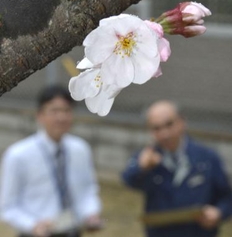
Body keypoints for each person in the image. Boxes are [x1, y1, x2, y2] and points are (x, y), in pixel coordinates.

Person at [0, 85, 102, 237]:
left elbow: (88, 189)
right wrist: (33, 225)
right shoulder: (18, 155)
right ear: (40, 115)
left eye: (66, 111)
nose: (61, 117)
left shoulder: (80, 149)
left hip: (72, 230)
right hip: (35, 233)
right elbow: (7, 207)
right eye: (54, 111)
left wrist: (90, 213)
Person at [122, 100, 232, 237]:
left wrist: (219, 213)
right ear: (150, 131)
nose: (165, 134)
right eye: (156, 128)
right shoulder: (147, 157)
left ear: (182, 122)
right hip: (160, 232)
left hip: (198, 231)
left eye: (169, 124)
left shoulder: (207, 157)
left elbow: (227, 196)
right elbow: (128, 180)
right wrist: (142, 167)